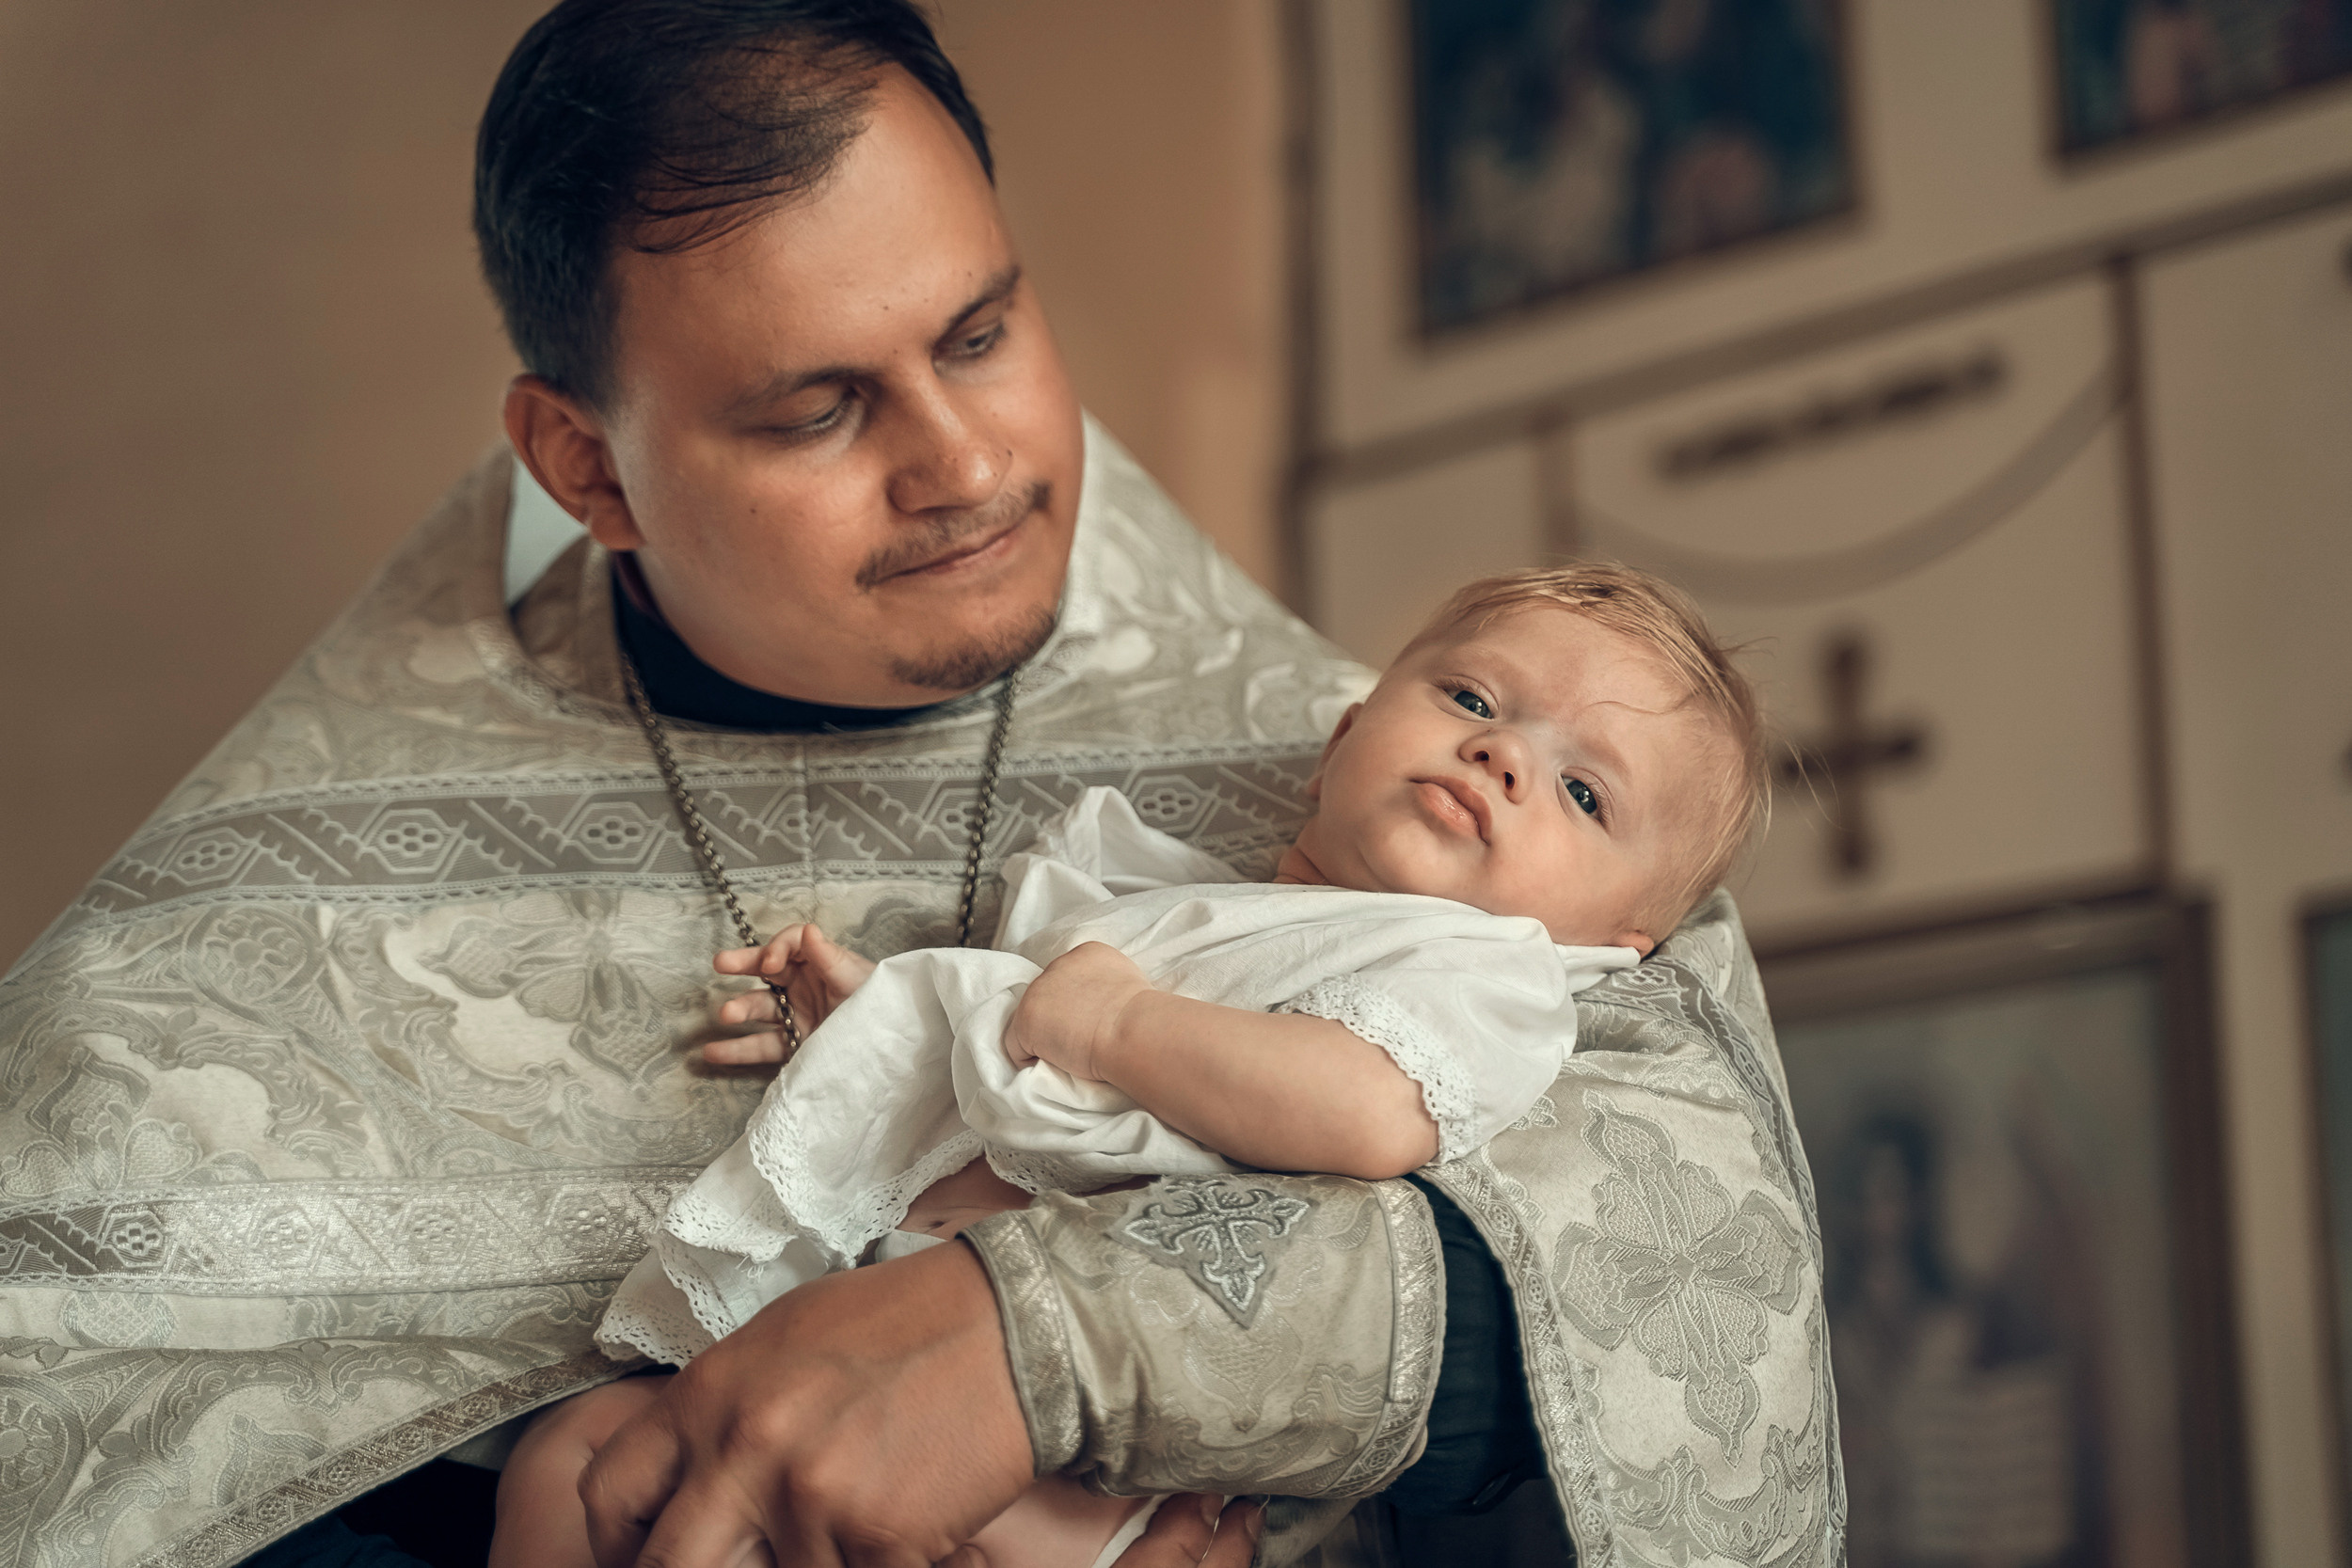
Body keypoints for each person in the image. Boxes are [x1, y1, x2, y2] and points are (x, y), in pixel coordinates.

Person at [0, 4, 1843, 1566]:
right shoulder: (262, 928)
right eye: (814, 410)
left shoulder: (1386, 792)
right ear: (589, 466)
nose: (965, 463)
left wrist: (1045, 1339)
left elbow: (1677, 1302)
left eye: (978, 335)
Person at [495, 563, 1767, 1568]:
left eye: (1585, 794)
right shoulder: (1178, 903)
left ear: (1611, 947)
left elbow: (1367, 1113)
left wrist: (1116, 1025)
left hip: (1078, 1456)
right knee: (570, 1459)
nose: (1504, 757)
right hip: (849, 1326)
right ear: (1338, 745)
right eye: (1474, 702)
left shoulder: (1483, 972)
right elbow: (1013, 1069)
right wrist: (877, 1034)